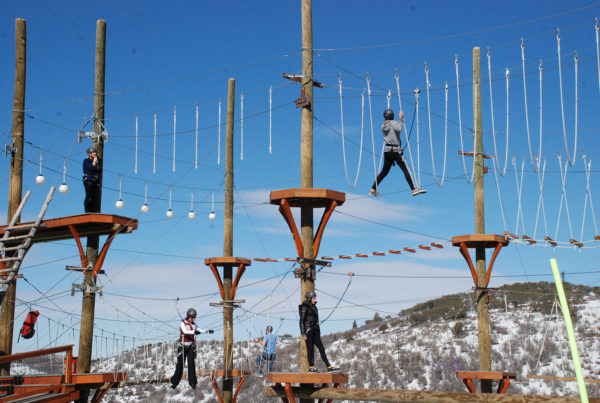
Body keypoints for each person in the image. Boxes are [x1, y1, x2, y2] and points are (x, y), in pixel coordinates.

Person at [369, 109, 427, 197]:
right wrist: (401, 118)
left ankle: (373, 188)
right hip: (396, 150)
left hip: (387, 151)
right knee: (405, 169)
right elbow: (399, 128)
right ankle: (414, 188)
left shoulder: (383, 125)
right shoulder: (393, 123)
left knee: (384, 172)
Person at [170, 308, 214, 390]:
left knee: (191, 364)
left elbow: (199, 329)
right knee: (180, 365)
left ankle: (193, 383)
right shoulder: (182, 323)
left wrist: (207, 331)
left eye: (194, 318)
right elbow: (185, 331)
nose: (192, 319)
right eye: (191, 317)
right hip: (182, 347)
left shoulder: (193, 324)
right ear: (188, 316)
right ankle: (174, 382)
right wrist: (193, 332)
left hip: (190, 347)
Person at [299, 291, 340, 373]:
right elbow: (302, 321)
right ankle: (311, 367)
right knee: (310, 349)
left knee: (321, 348)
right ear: (310, 298)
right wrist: (303, 333)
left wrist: (318, 331)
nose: (315, 299)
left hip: (315, 331)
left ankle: (329, 366)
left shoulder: (314, 307)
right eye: (314, 298)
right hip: (308, 331)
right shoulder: (304, 307)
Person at [82, 147, 101, 212]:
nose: (95, 153)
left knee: (95, 196)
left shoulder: (96, 162)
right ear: (89, 154)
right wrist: (94, 162)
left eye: (95, 152)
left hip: (94, 180)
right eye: (93, 152)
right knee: (88, 195)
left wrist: (97, 164)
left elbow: (99, 171)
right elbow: (91, 168)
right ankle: (87, 210)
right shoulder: (86, 161)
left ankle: (93, 210)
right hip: (88, 179)